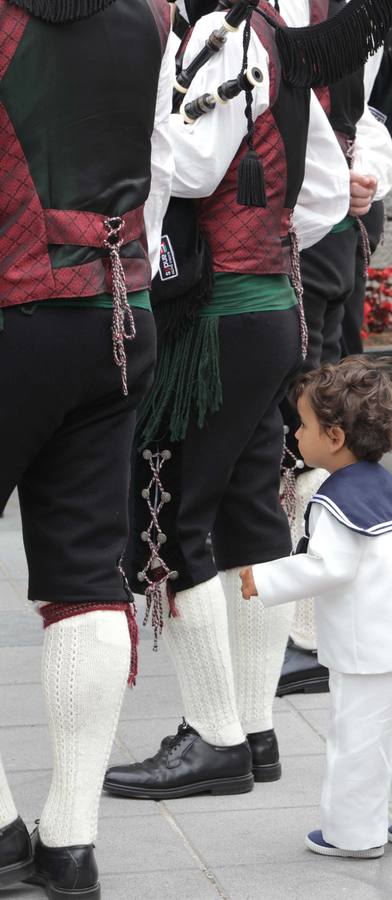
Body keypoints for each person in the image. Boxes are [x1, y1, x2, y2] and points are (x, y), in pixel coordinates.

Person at [103, 0, 352, 802]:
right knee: (249, 513)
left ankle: (215, 738)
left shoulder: (224, 38)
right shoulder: (273, 38)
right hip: (270, 307)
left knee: (170, 520)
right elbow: (326, 196)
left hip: (217, 324)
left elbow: (193, 170)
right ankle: (252, 729)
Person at [0, 0, 175, 896]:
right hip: (118, 310)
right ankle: (71, 846)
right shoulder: (154, 10)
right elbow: (168, 160)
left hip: (14, 311)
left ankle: (0, 833)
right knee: (85, 575)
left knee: (84, 577)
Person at [240, 357, 392, 858]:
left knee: (359, 740)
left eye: (303, 425)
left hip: (371, 653)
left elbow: (329, 566)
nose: (296, 433)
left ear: (335, 437)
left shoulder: (335, 501)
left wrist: (265, 578)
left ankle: (353, 833)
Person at [275, 0, 392, 698]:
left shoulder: (349, 13)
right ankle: (319, 628)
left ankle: (311, 636)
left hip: (310, 243)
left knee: (313, 428)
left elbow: (371, 114)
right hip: (302, 236)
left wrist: (361, 176)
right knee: (315, 423)